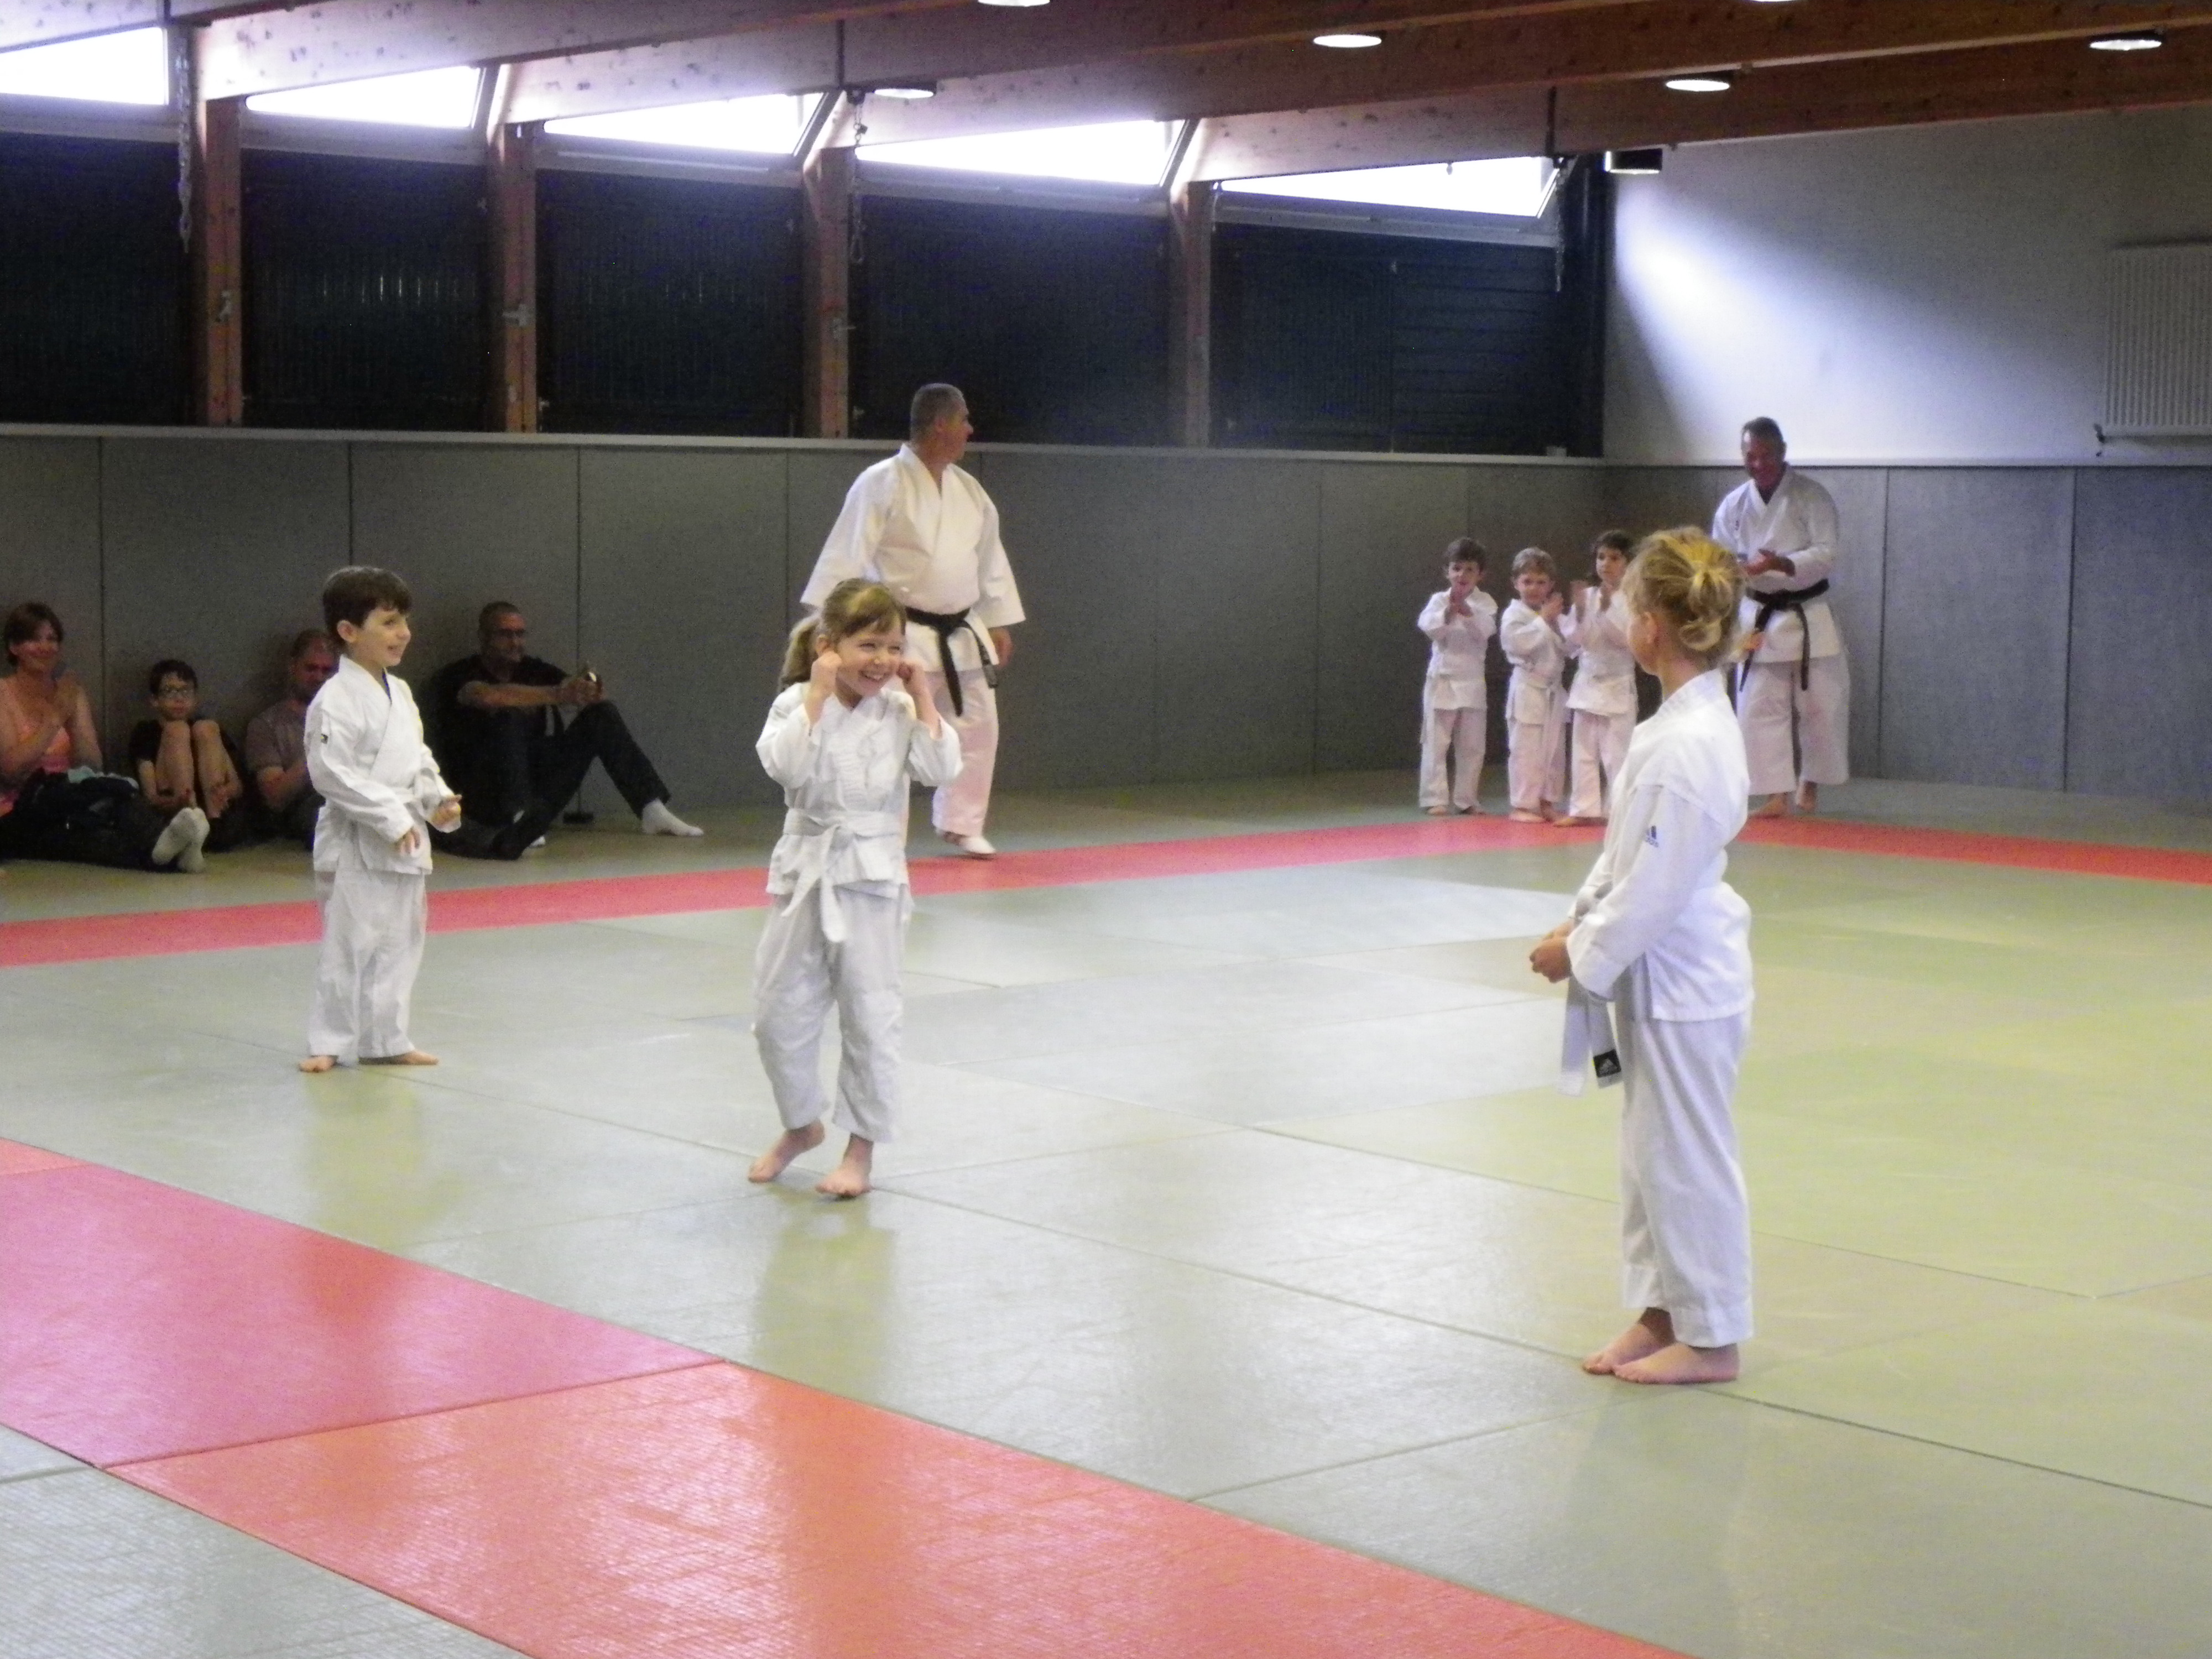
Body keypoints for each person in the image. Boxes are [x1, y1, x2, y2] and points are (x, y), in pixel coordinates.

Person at [1529, 526, 1754, 1387]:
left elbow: (1654, 889)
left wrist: (1580, 953)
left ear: (1653, 627)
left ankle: (1714, 1335)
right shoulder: (1678, 727)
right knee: (1650, 1158)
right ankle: (1665, 1313)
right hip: (1663, 975)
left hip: (1683, 981)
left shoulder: (1686, 744)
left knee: (1686, 1158)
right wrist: (1578, 920)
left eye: (1629, 607)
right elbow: (1626, 859)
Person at [747, 579, 962, 1199]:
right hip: (805, 873)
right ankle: (801, 1125)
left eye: (893, 647)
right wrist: (817, 694)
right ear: (828, 646)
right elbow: (785, 768)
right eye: (868, 645)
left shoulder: (898, 711)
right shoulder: (794, 704)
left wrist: (923, 695)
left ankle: (860, 1151)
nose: (882, 660)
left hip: (872, 877)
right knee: (776, 1016)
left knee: (871, 1016)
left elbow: (941, 769)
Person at [803, 383, 1024, 859]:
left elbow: (990, 559)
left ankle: (962, 823)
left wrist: (997, 619)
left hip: (961, 631)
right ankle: (883, 833)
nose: (970, 430)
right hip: (897, 636)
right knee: (889, 736)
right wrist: (827, 628)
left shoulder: (970, 491)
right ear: (940, 424)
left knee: (977, 729)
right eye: (964, 420)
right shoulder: (882, 481)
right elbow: (847, 553)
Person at [301, 567, 463, 1074]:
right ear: (348, 631)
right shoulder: (335, 699)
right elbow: (330, 772)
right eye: (389, 623)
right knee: (348, 944)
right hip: (357, 839)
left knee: (400, 942)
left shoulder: (402, 693)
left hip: (406, 836)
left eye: (404, 621)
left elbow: (417, 758)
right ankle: (328, 1042)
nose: (404, 633)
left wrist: (437, 799)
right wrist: (389, 816)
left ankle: (386, 1039)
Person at [422, 602, 701, 853]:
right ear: (484, 638)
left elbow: (575, 690)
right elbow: (488, 696)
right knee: (508, 716)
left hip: (538, 783)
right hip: (486, 790)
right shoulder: (459, 673)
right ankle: (519, 821)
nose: (515, 642)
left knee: (602, 714)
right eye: (505, 635)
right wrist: (557, 694)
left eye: (520, 634)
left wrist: (587, 689)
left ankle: (651, 808)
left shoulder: (534, 669)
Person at [0, 601, 207, 873]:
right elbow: (10, 771)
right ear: (14, 647)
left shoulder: (70, 693)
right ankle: (177, 852)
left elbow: (92, 765)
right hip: (24, 807)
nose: (45, 647)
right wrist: (55, 719)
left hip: (74, 798)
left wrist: (73, 717)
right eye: (33, 639)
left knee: (113, 801)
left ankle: (174, 849)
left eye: (51, 639)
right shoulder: (4, 694)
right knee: (89, 827)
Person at [1711, 416, 1846, 818]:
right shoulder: (1734, 504)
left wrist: (1781, 564)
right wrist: (1738, 570)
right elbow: (1719, 557)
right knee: (1758, 707)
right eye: (1750, 456)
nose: (1758, 464)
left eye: (1766, 455)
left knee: (1821, 706)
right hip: (1758, 614)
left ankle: (1810, 780)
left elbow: (1826, 553)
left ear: (1783, 452)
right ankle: (1774, 794)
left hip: (1808, 612)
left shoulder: (1811, 496)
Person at [128, 660, 255, 853]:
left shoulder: (208, 731)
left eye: (185, 692)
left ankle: (214, 820)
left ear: (196, 698)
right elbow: (151, 796)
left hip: (217, 812)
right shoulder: (146, 732)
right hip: (172, 812)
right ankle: (191, 818)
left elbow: (237, 786)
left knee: (206, 727)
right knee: (177, 731)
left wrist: (224, 792)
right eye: (170, 691)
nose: (179, 699)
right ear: (155, 699)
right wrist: (176, 802)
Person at [1558, 531, 1639, 827]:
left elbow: (1628, 640)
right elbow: (1575, 640)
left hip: (1617, 682)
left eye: (1615, 558)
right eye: (1601, 557)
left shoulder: (1635, 599)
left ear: (1629, 563)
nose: (1606, 563)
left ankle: (1618, 811)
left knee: (1616, 753)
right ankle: (1583, 809)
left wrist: (1606, 611)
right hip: (1588, 680)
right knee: (1583, 751)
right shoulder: (1589, 595)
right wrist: (1581, 613)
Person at [1416, 538, 1496, 816]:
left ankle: (1467, 799)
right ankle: (1434, 798)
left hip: (1472, 681)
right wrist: (1449, 613)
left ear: (1480, 574)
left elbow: (1486, 631)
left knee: (1472, 746)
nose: (1462, 575)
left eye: (1470, 569)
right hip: (1443, 679)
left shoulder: (1485, 602)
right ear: (1447, 572)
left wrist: (1468, 612)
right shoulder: (1438, 600)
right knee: (1436, 743)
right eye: (1457, 568)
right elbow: (1429, 628)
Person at [1499, 547, 1576, 824]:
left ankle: (1547, 801)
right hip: (1528, 688)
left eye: (1541, 582)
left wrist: (1553, 622)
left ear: (1551, 585)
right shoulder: (1513, 615)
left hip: (1553, 691)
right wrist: (1544, 621)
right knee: (1527, 751)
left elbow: (1572, 648)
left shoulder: (1556, 616)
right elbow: (1516, 644)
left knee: (1554, 751)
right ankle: (1522, 804)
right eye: (1527, 581)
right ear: (1515, 583)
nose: (1534, 588)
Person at [245, 629, 339, 844]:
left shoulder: (349, 716)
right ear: (293, 667)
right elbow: (275, 798)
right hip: (306, 808)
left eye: (326, 671)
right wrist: (317, 751)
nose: (319, 677)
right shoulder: (266, 725)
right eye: (311, 668)